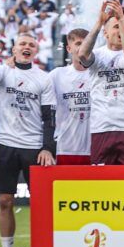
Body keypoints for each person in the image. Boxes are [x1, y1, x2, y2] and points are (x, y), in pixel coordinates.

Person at [0, 34, 56, 247]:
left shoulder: (43, 78)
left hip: (33, 147)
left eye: (31, 44)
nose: (27, 47)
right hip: (7, 144)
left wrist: (47, 148)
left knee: (42, 206)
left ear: (36, 51)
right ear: (14, 48)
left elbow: (49, 118)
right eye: (22, 43)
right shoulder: (3, 70)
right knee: (5, 202)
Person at [77, 0, 124, 165]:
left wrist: (121, 21)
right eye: (116, 26)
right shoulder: (97, 54)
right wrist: (98, 22)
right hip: (101, 127)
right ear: (105, 33)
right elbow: (82, 55)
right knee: (102, 185)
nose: (121, 30)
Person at [50, 29, 92, 166]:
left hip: (95, 148)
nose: (83, 47)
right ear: (68, 48)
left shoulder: (99, 73)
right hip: (65, 148)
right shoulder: (57, 75)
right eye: (79, 43)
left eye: (87, 43)